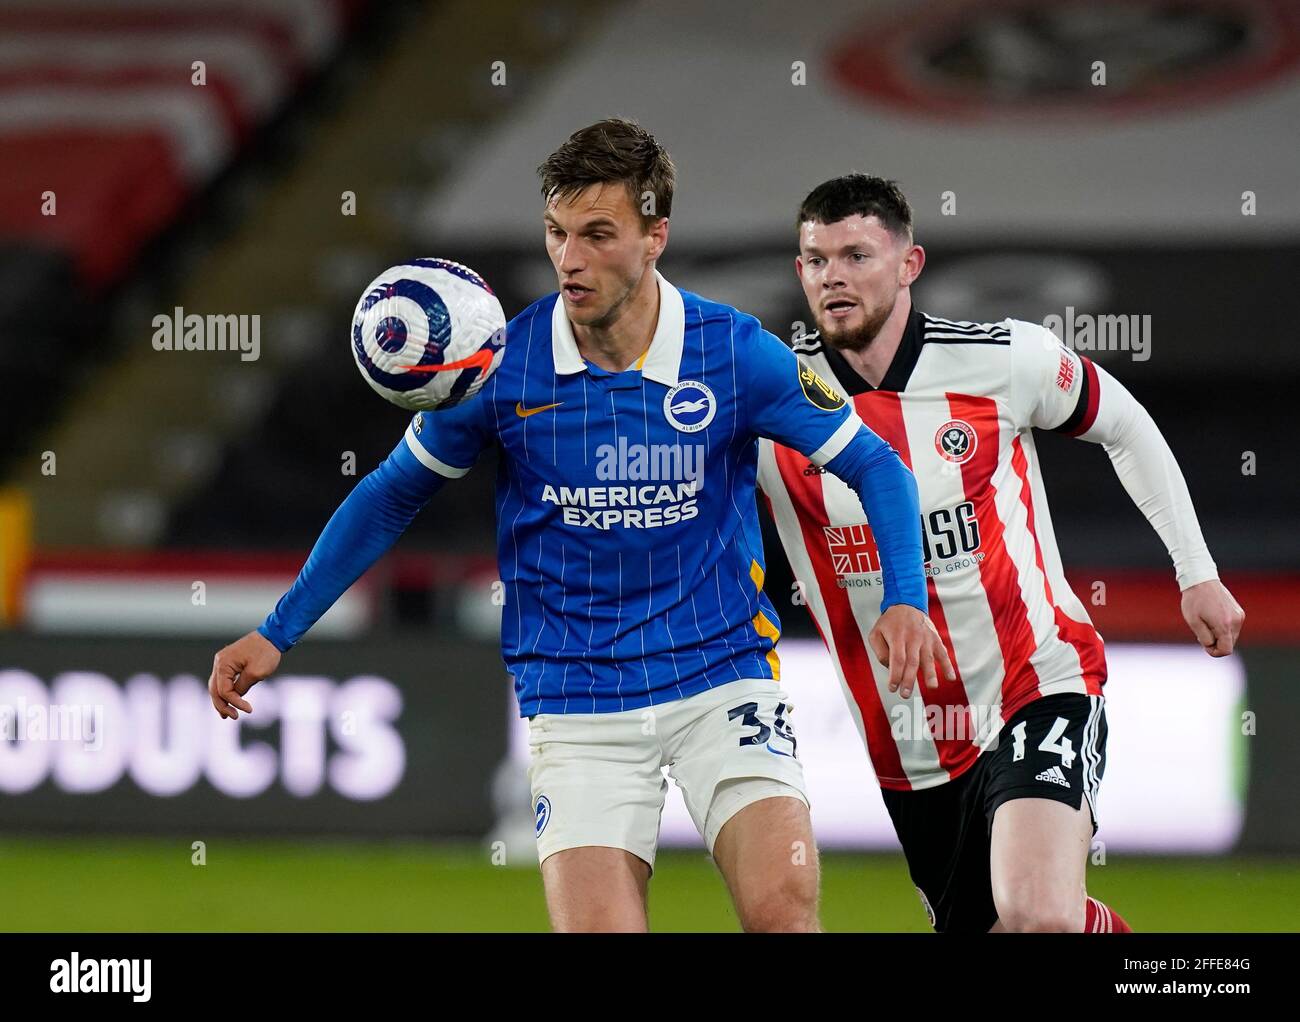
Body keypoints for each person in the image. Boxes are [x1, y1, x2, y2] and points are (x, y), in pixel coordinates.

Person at [208, 124, 951, 932]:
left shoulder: (736, 354)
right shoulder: (503, 368)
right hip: (576, 694)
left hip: (721, 676)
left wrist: (904, 599)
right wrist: (278, 631)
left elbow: (878, 466)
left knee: (783, 915)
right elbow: (390, 495)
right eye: (558, 234)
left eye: (598, 235)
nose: (570, 258)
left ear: (654, 236)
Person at [758, 173, 1244, 932]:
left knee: (1037, 914)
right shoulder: (774, 407)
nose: (834, 277)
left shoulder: (1004, 359)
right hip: (911, 739)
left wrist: (1198, 574)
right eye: (817, 260)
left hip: (1036, 681)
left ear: (909, 265)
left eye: (857, 255)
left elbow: (1126, 424)